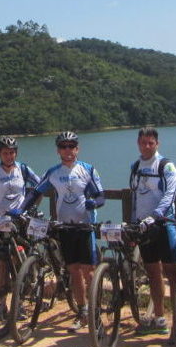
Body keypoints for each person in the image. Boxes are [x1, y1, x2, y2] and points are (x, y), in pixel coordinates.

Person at [10, 131, 105, 333]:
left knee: (89, 272)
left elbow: (100, 196)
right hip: (65, 227)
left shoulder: (87, 170)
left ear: (77, 149)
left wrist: (93, 203)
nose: (67, 150)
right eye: (63, 146)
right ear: (58, 150)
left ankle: (96, 313)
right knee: (74, 271)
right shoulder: (53, 172)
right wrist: (21, 209)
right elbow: (36, 191)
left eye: (71, 146)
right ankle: (83, 310)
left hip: (85, 227)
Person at [0, 136, 41, 320]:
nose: (9, 156)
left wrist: (31, 208)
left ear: (16, 153)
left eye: (12, 152)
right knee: (1, 265)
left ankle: (19, 304)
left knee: (20, 262)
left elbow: (40, 186)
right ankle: (2, 305)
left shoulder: (24, 170)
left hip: (19, 223)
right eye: (5, 153)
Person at [128, 127, 176, 335]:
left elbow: (170, 195)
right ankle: (159, 319)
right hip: (143, 228)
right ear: (138, 144)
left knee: (172, 275)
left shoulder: (166, 166)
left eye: (150, 143)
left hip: (164, 226)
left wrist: (155, 216)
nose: (146, 146)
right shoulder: (136, 166)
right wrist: (133, 224)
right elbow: (134, 197)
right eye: (143, 143)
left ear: (157, 144)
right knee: (152, 274)